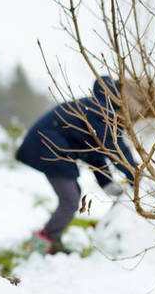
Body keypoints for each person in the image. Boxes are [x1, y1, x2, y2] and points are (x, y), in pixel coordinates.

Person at [15, 76, 147, 255]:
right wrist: (135, 176)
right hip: (48, 147)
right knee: (70, 200)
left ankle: (51, 239)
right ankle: (39, 247)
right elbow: (115, 149)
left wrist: (107, 183)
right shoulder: (103, 112)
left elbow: (94, 153)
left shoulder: (100, 107)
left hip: (51, 147)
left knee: (72, 198)